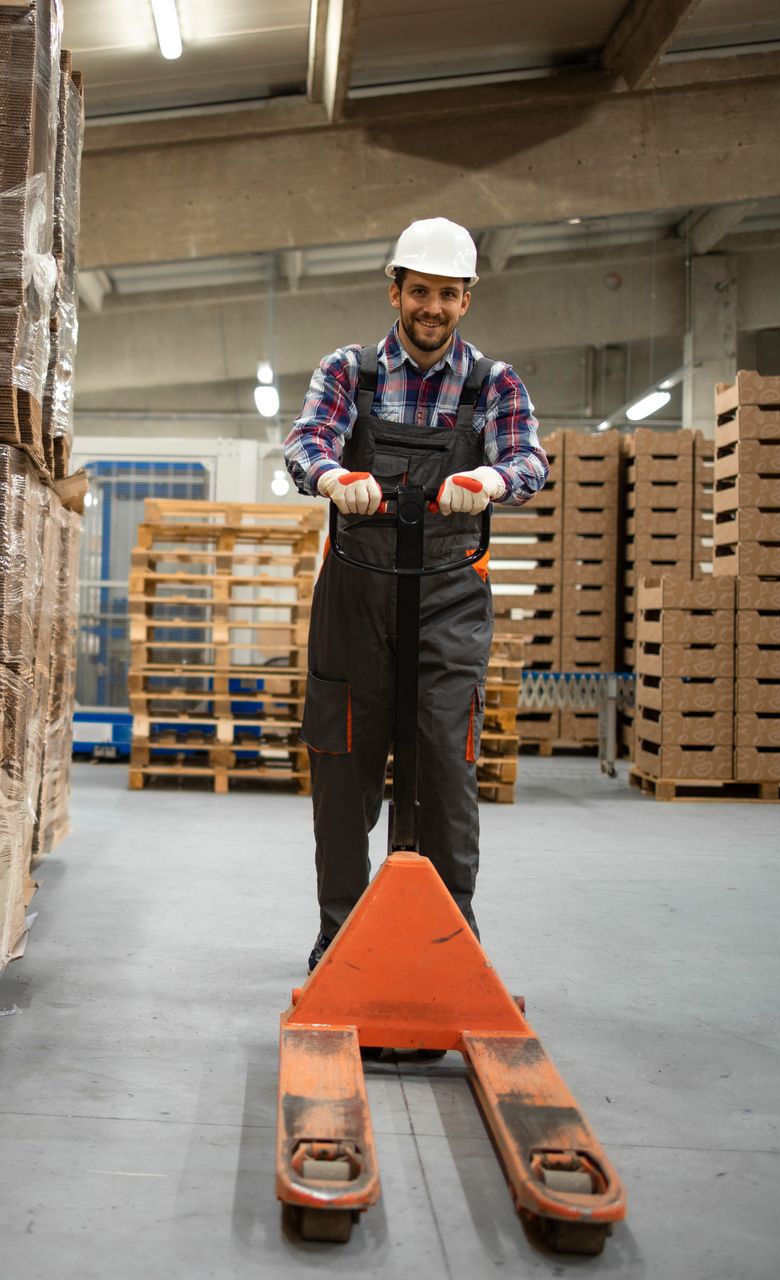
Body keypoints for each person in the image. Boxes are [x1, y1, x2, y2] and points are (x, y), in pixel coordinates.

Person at [283, 217, 549, 1001]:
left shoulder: (491, 383)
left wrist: (494, 482)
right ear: (396, 290)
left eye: (448, 295)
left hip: (448, 600)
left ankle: (451, 943)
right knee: (343, 770)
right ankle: (338, 936)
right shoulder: (350, 371)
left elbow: (530, 456)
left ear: (466, 300)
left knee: (444, 767)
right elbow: (306, 442)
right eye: (421, 291)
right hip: (355, 599)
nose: (433, 307)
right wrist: (333, 477)